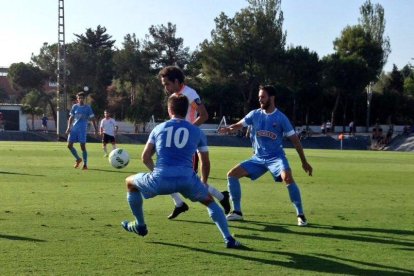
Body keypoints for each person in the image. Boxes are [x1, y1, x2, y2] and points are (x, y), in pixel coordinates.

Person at [121, 94, 241, 248]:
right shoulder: (196, 131)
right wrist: (203, 182)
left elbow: (145, 157)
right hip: (187, 180)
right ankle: (229, 239)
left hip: (161, 179)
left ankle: (140, 225)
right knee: (211, 203)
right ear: (186, 111)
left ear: (169, 109)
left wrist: (156, 172)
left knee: (130, 183)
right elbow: (205, 162)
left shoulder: (159, 128)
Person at [218, 85, 313, 226]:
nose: (260, 100)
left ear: (271, 98)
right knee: (231, 174)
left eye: (263, 97)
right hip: (258, 159)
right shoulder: (254, 114)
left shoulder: (281, 118)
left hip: (276, 158)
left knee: (288, 177)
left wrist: (304, 162)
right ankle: (237, 212)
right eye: (259, 97)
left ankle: (301, 215)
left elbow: (296, 141)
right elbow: (239, 125)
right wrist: (228, 129)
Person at [158, 66, 230, 219]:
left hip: (187, 145)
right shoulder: (175, 95)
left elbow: (204, 115)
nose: (165, 87)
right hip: (179, 143)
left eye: (167, 84)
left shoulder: (190, 94)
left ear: (176, 81)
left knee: (185, 180)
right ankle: (181, 203)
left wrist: (187, 131)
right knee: (165, 172)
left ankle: (219, 199)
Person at [65, 92, 98, 170]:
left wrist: (96, 130)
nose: (81, 99)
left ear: (84, 99)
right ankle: (78, 159)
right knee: (69, 146)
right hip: (74, 129)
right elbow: (71, 118)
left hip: (82, 130)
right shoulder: (75, 107)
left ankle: (85, 164)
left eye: (82, 98)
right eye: (79, 98)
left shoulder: (88, 108)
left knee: (82, 147)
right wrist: (68, 127)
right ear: (77, 99)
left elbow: (93, 119)